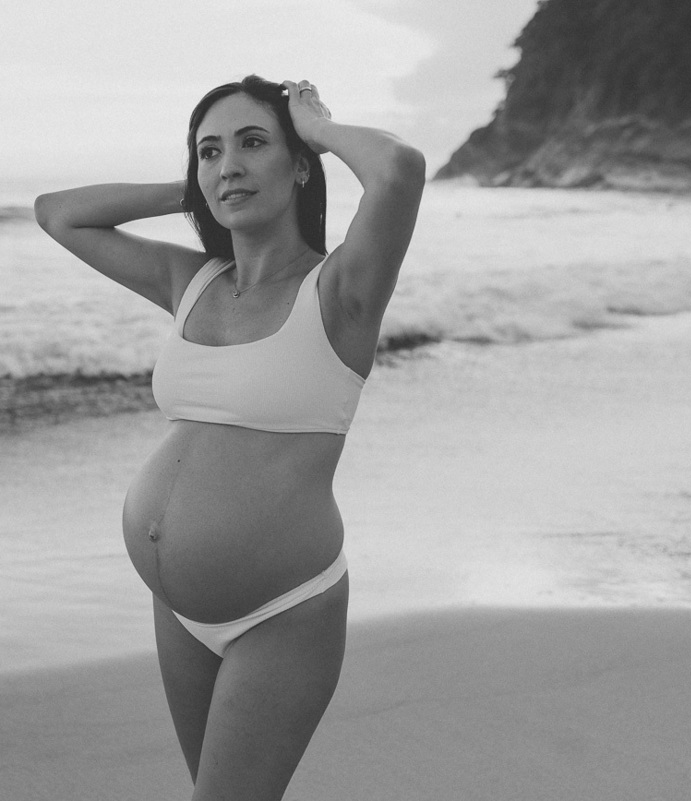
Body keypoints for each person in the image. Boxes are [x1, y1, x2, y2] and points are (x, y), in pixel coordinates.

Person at [34, 75, 425, 800]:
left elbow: (399, 170)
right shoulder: (190, 281)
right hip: (177, 609)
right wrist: (196, 189)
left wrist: (316, 126)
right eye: (209, 151)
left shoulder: (340, 290)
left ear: (299, 164)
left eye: (252, 144)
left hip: (283, 611)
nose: (229, 166)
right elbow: (58, 214)